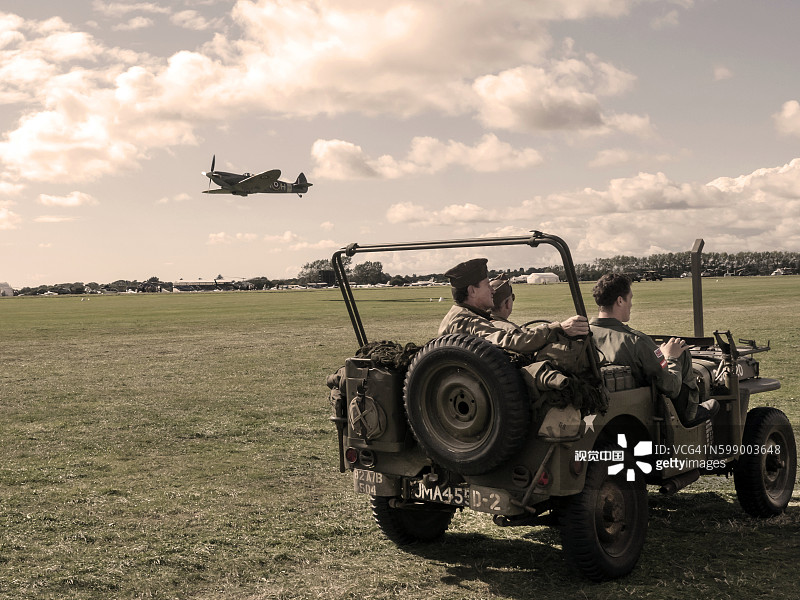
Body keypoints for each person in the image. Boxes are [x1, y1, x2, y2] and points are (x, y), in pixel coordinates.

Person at [589, 273, 718, 427]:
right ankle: (690, 413)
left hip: (601, 406)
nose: (631, 304)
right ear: (620, 300)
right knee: (681, 352)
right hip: (643, 415)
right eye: (630, 298)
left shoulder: (582, 336)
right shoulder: (636, 341)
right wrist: (671, 357)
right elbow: (671, 388)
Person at [438, 258, 588, 354]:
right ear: (472, 291)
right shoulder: (468, 321)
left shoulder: (460, 315)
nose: (492, 290)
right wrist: (557, 328)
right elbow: (510, 342)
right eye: (487, 285)